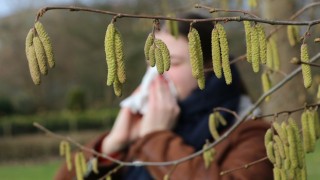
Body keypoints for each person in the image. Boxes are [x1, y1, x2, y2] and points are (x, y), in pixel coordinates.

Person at [55, 13, 273, 180]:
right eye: (153, 63)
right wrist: (110, 146)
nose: (157, 74)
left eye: (174, 63)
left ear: (211, 67)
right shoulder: (141, 125)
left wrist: (156, 139)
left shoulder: (250, 134)